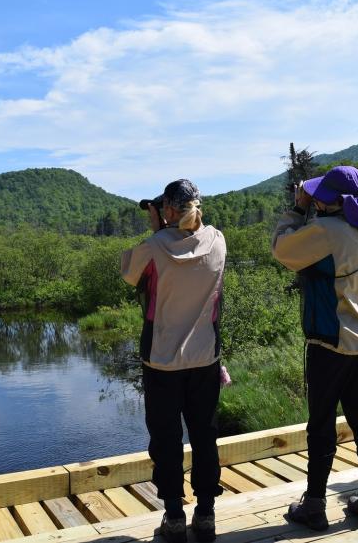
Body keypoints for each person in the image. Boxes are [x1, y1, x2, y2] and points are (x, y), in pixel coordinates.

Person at [271, 165, 358, 530]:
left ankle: (315, 505)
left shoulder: (326, 230)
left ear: (332, 200)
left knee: (321, 425)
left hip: (330, 340)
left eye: (321, 194)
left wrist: (298, 207)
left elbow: (282, 249)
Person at [121, 179, 227, 543]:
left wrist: (157, 231)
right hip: (205, 357)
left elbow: (130, 275)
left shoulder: (153, 246)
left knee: (166, 440)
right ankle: (207, 515)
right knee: (205, 436)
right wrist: (166, 228)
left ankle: (175, 517)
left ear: (167, 210)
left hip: (162, 362)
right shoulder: (219, 241)